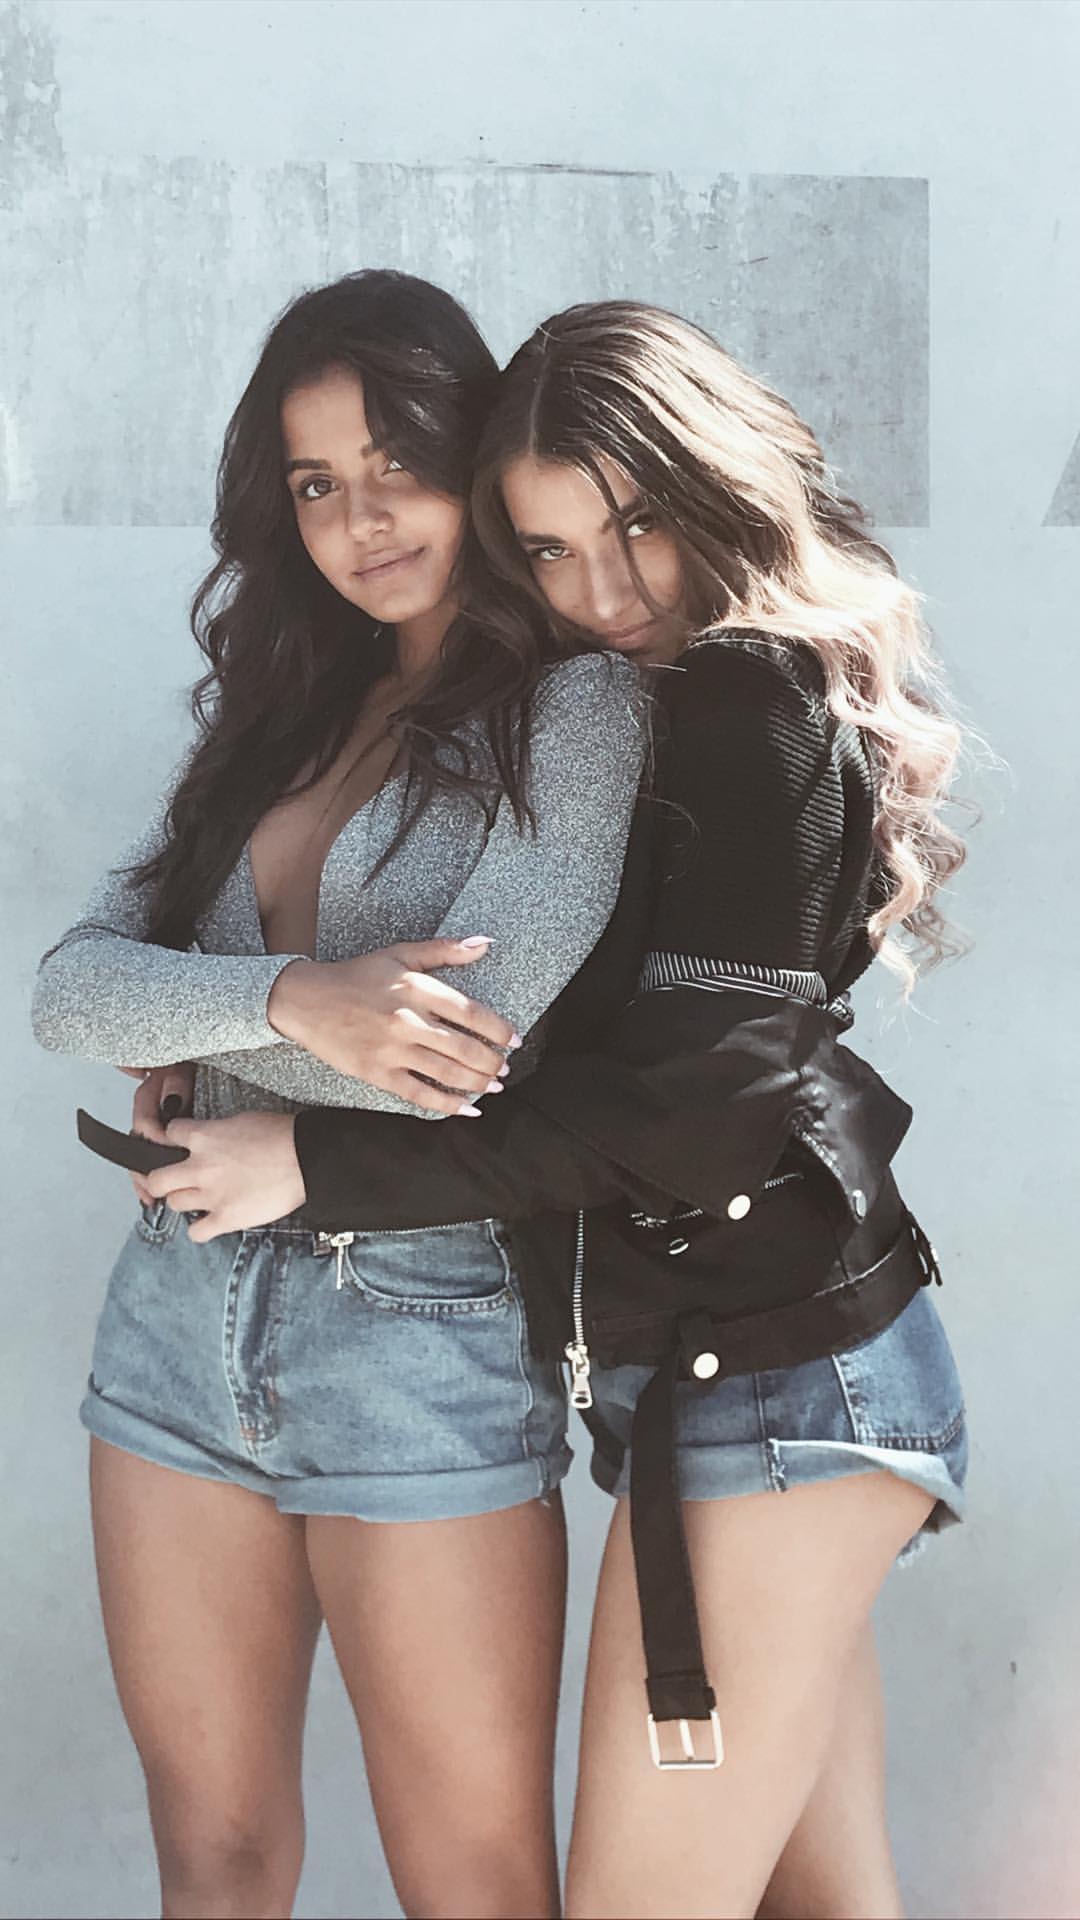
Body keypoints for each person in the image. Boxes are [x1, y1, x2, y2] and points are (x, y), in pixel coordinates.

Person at [153, 302, 971, 1920]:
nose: (607, 591)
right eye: (551, 549)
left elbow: (698, 1115)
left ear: (718, 486)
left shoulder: (743, 698)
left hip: (779, 1387)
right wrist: (242, 1022)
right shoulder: (649, 702)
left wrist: (307, 1159)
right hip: (767, 1372)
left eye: (638, 526)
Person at [32, 273, 647, 1920]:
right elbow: (68, 992)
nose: (360, 522)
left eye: (396, 466)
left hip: (422, 1332)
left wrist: (215, 1042)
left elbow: (462, 1058)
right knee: (216, 1861)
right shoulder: (285, 708)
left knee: (474, 1884)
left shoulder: (577, 712)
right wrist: (295, 999)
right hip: (175, 1312)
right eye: (315, 484)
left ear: (474, 454)